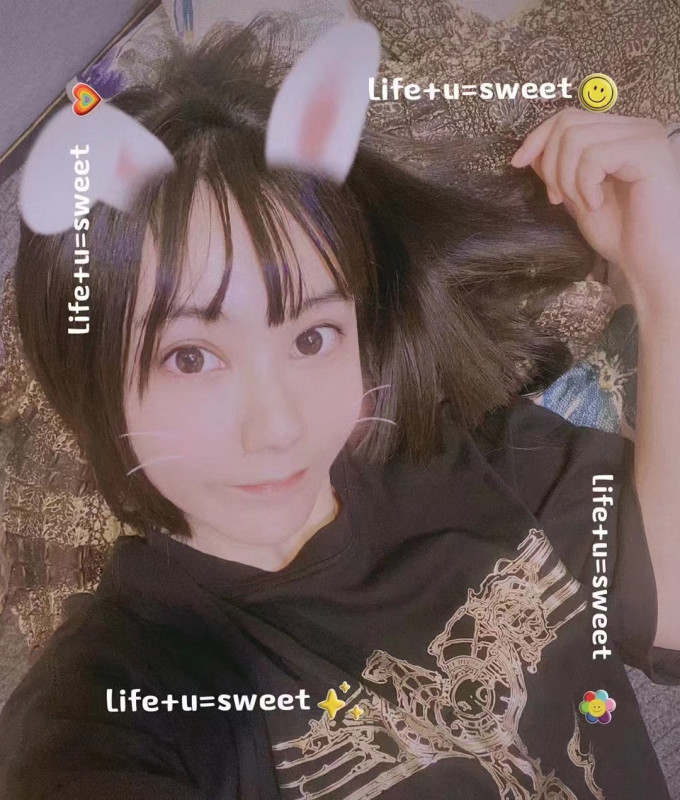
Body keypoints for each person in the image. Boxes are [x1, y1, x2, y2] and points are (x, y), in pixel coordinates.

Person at [1, 17, 680, 800]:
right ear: (91, 378)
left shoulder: (477, 459)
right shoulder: (118, 705)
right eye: (191, 356)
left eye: (312, 336)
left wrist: (662, 280)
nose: (281, 428)